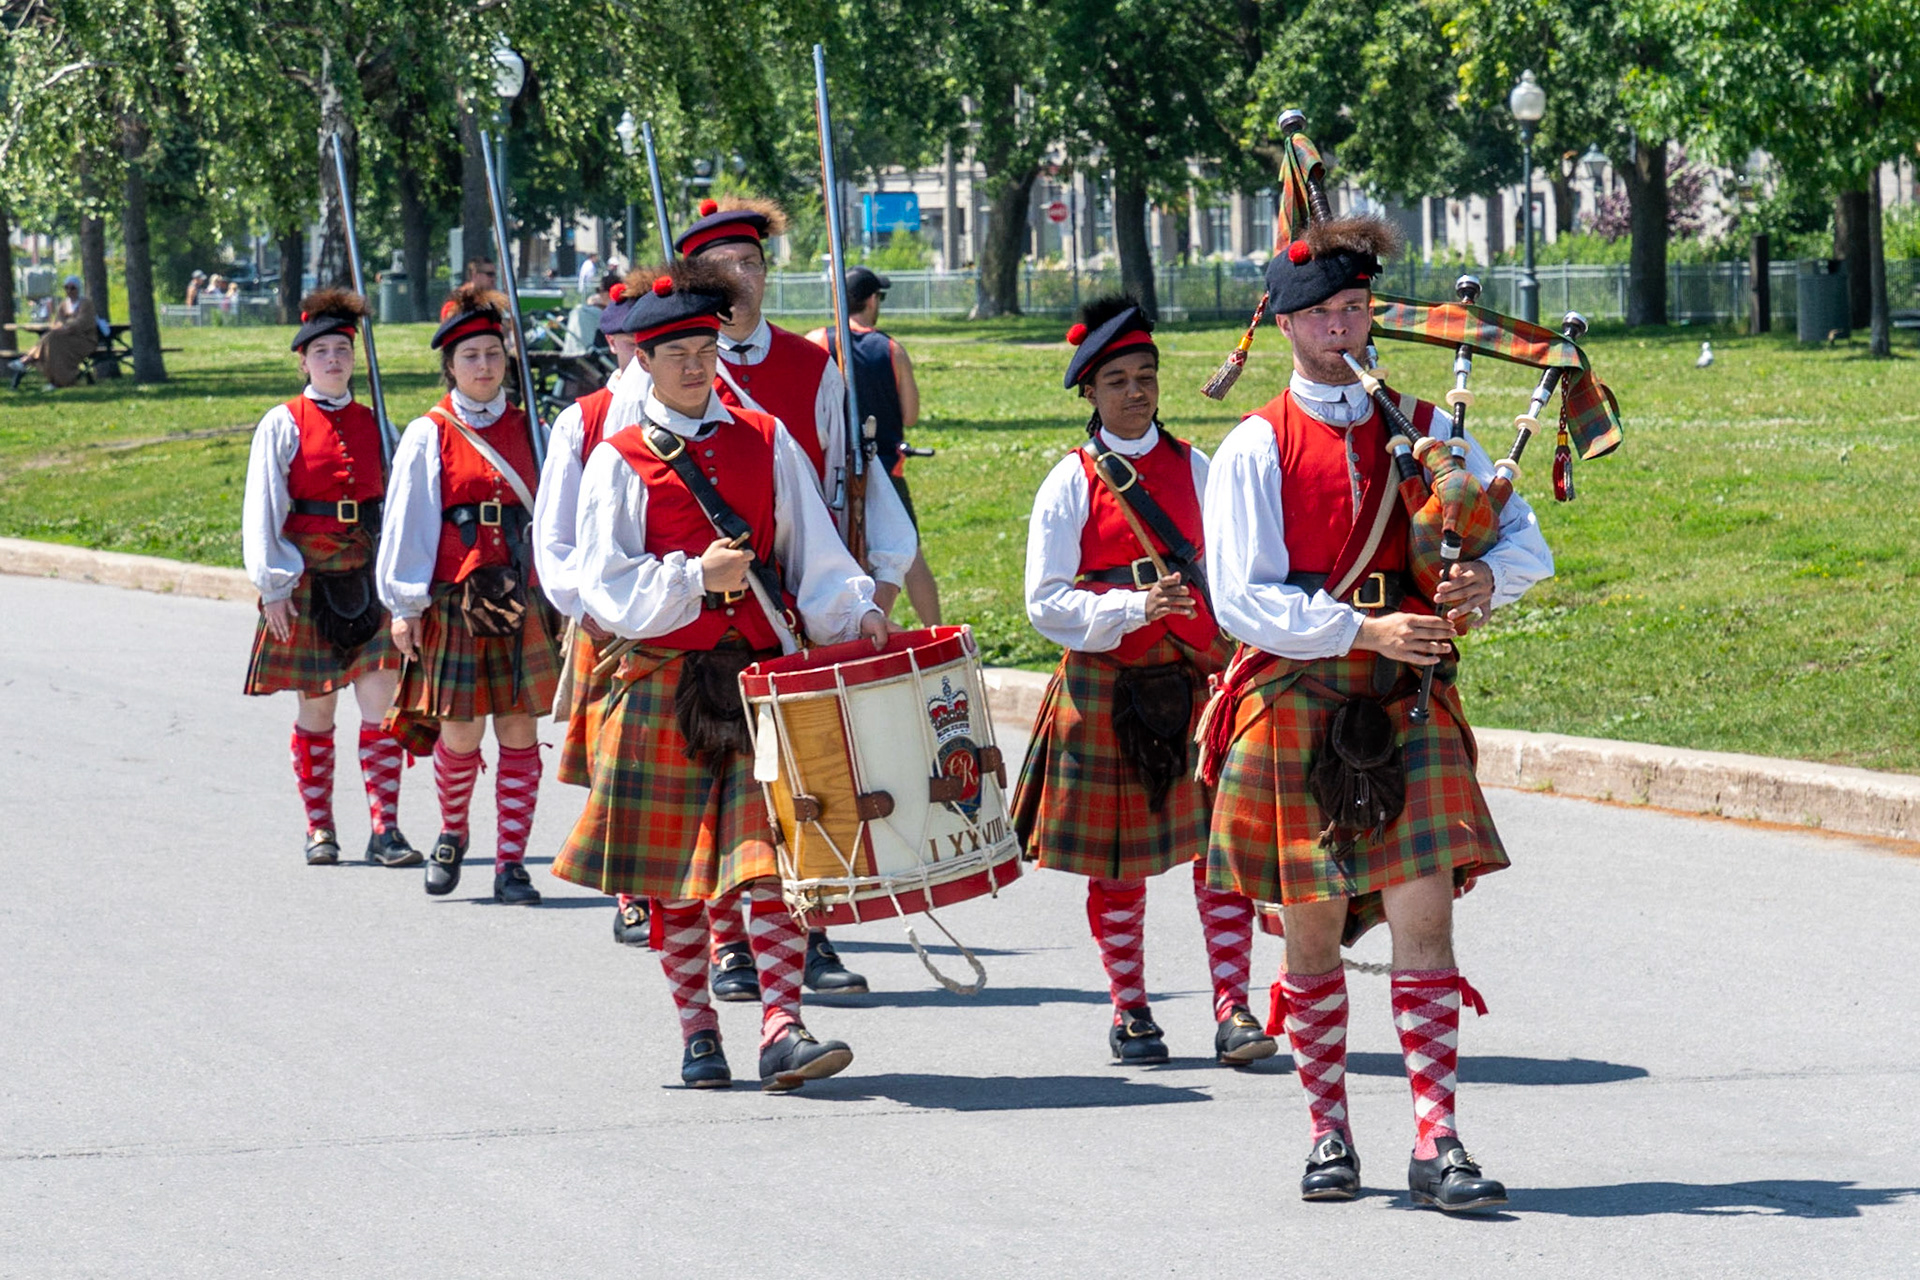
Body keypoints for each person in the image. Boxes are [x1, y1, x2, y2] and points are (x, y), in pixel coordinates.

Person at [1199, 216, 1553, 1211]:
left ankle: (1438, 1136)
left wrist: (1486, 574)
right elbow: (1242, 599)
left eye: (1358, 308)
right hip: (1296, 698)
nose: (1347, 328)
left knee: (1424, 923)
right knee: (1310, 935)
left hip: (1410, 701)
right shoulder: (1253, 447)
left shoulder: (1432, 428)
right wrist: (1366, 633)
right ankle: (1327, 1132)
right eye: (1326, 315)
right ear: (1287, 326)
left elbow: (1523, 538)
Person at [551, 261, 890, 1090]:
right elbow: (606, 586)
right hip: (663, 681)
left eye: (706, 349)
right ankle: (699, 1032)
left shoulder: (767, 440)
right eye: (677, 355)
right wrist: (692, 580)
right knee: (672, 880)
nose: (697, 366)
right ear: (643, 364)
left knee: (768, 859)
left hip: (756, 682)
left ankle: (781, 1025)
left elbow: (813, 551)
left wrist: (855, 609)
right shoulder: (618, 460)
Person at [605, 196, 915, 998]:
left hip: (776, 630)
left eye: (755, 263)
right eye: (727, 268)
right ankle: (708, 999)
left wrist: (861, 594)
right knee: (684, 857)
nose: (745, 279)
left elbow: (841, 485)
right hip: (669, 653)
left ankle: (789, 1002)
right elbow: (603, 564)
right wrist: (681, 585)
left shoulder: (812, 376)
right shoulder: (623, 430)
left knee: (780, 830)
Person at [1011, 295, 1274, 1069]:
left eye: (1145, 376)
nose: (1135, 391)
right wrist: (1133, 606)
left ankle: (1233, 1010)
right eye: (1117, 380)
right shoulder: (1068, 482)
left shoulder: (1198, 465)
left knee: (1218, 855)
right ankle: (1130, 1011)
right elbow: (1044, 602)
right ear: (1088, 393)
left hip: (1196, 683)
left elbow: (1234, 569)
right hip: (1107, 687)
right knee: (1116, 867)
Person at [376, 283, 562, 906]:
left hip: (522, 597)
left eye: (492, 353)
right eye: (469, 357)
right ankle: (452, 830)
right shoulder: (429, 434)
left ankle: (511, 863)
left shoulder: (535, 428)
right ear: (450, 367)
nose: (483, 366)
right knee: (460, 733)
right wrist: (405, 606)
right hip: (457, 603)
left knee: (517, 728)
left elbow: (559, 518)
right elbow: (409, 522)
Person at [241, 289, 416, 869]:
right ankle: (320, 828)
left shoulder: (378, 423)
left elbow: (399, 502)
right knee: (317, 710)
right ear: (304, 360)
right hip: (308, 578)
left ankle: (385, 828)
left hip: (367, 572)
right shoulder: (283, 423)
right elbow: (264, 504)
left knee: (379, 702)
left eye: (343, 349)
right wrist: (274, 586)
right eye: (323, 351)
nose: (334, 360)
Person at [533, 279, 649, 945]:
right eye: (637, 341)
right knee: (618, 762)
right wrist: (593, 604)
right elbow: (555, 537)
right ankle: (631, 894)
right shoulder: (582, 419)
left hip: (683, 611)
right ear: (612, 343)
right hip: (607, 620)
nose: (649, 354)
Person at [805, 266, 941, 625]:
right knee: (906, 553)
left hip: (832, 466)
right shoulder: (892, 349)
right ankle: (936, 631)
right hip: (884, 467)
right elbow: (910, 415)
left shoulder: (817, 341)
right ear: (870, 300)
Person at [9, 276, 97, 389]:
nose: (69, 291)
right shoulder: (64, 305)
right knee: (51, 347)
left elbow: (83, 321)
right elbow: (58, 321)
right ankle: (55, 381)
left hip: (83, 340)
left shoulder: (86, 303)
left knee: (51, 338)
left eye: (72, 288)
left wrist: (67, 326)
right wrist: (61, 327)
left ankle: (27, 359)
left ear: (78, 289)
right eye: (67, 288)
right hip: (64, 339)